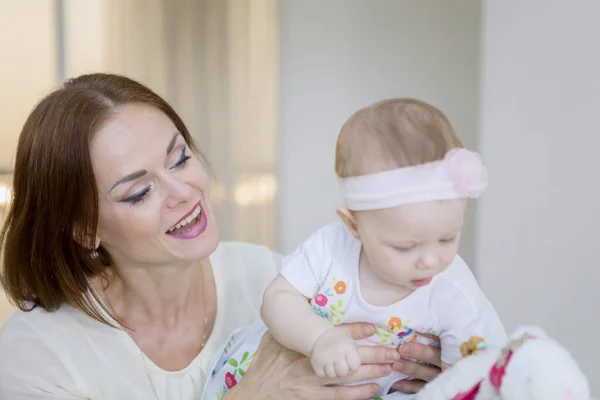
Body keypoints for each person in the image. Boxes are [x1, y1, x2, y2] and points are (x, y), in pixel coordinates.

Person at [0, 74, 443, 400]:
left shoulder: (274, 279)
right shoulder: (38, 355)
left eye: (179, 159)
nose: (182, 191)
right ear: (84, 230)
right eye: (139, 192)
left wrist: (422, 370)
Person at [206, 99, 507, 399]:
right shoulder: (330, 247)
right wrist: (319, 337)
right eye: (405, 247)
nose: (430, 260)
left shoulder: (454, 292)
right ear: (353, 226)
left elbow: (468, 378)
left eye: (447, 238)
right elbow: (278, 298)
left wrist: (453, 380)